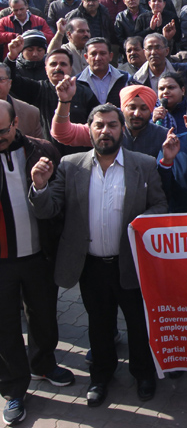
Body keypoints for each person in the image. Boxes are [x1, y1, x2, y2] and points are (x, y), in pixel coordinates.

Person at [29, 104, 167, 407]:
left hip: (130, 262)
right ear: (89, 129)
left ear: (122, 129)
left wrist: (140, 225)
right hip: (90, 265)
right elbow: (49, 208)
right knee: (99, 323)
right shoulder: (70, 165)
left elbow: (160, 206)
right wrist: (39, 187)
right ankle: (101, 377)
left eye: (112, 125)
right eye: (99, 125)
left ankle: (143, 374)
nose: (106, 131)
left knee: (136, 322)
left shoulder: (143, 164)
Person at [0, 100, 74, 427]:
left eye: (2, 131)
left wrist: (41, 184)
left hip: (39, 255)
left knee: (43, 316)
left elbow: (61, 202)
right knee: (4, 328)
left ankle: (43, 363)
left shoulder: (42, 151)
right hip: (1, 262)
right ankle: (14, 387)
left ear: (16, 123)